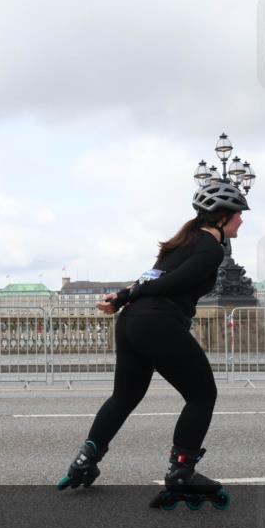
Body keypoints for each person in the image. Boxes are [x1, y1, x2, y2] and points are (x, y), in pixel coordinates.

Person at [57, 179, 249, 509]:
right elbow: (173, 283)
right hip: (158, 322)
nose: (241, 220)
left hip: (132, 322)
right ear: (221, 216)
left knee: (125, 395)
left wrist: (121, 298)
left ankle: (85, 459)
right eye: (238, 215)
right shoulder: (209, 249)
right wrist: (125, 296)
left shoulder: (184, 241)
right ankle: (181, 471)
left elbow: (151, 278)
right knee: (202, 395)